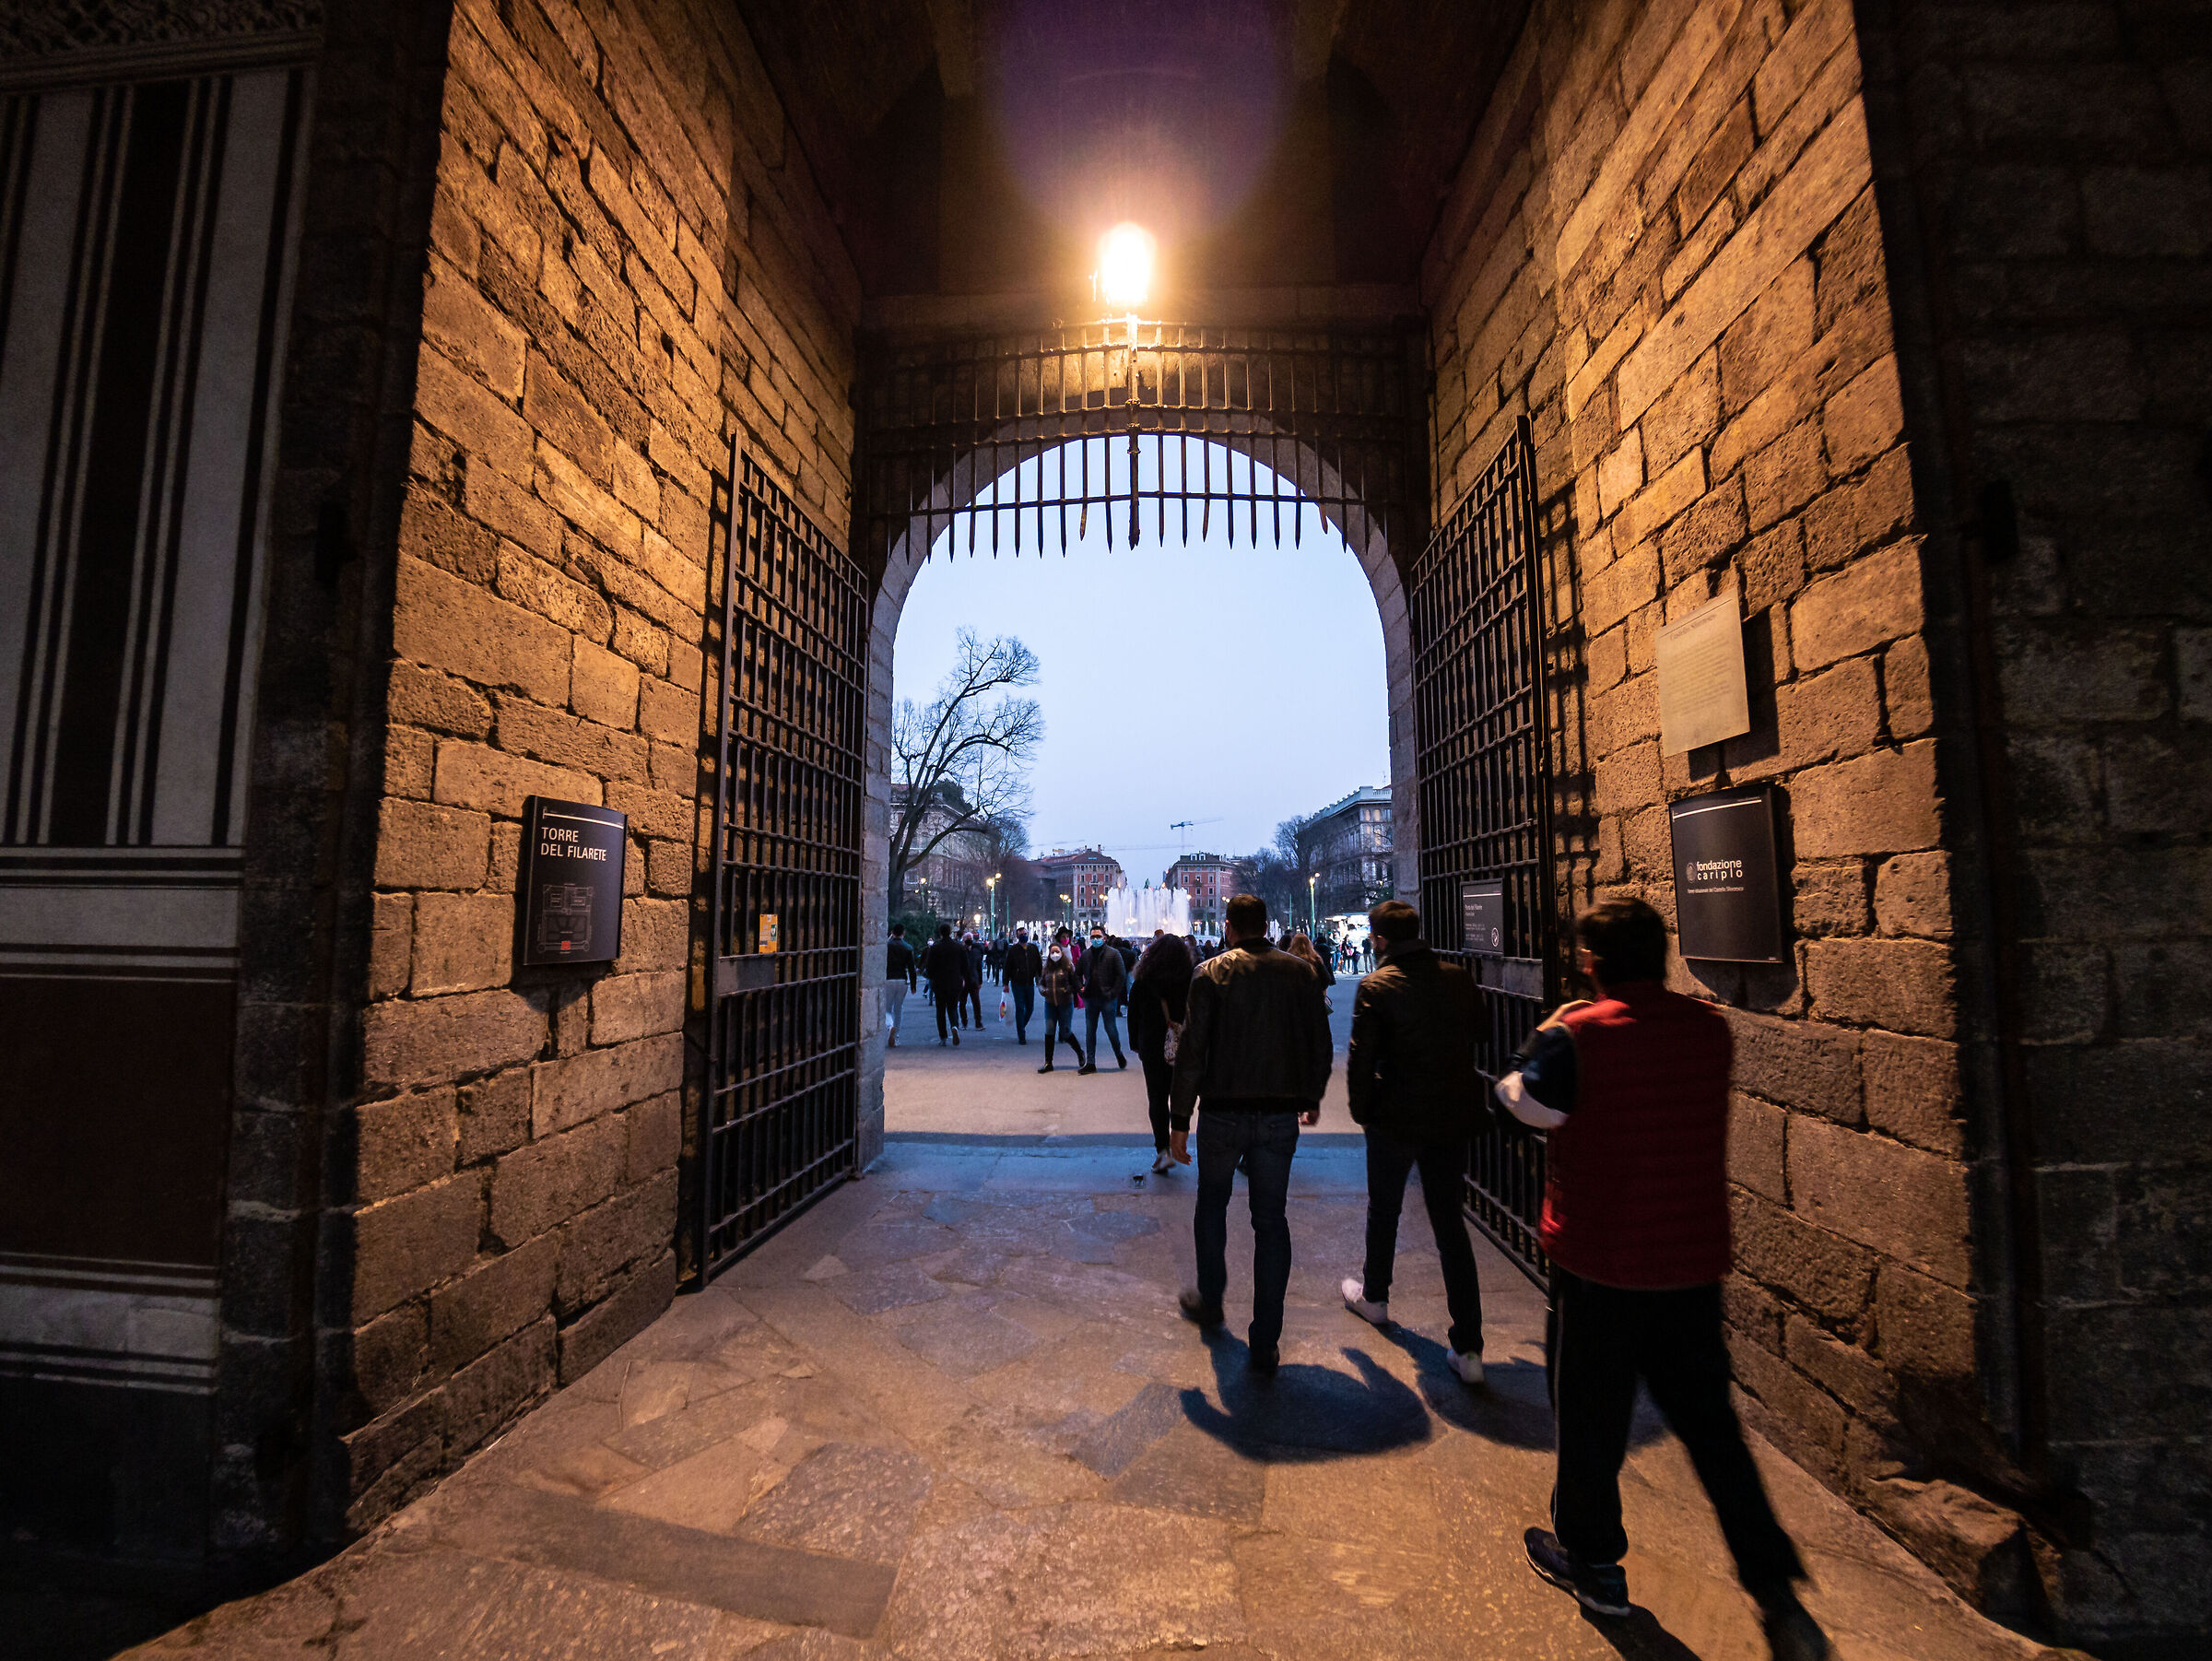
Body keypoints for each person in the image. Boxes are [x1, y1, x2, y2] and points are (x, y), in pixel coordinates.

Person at [1496, 897, 1830, 1659]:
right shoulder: (1708, 1029)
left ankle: (1596, 1567)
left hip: (1601, 1262)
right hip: (1688, 1263)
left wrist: (1537, 1045)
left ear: (1593, 963)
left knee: (1589, 1423)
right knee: (1714, 1434)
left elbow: (1528, 1105)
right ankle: (1775, 1592)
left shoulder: (1577, 1034)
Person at [1169, 892, 1332, 1375]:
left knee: (1212, 1204)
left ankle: (1212, 1297)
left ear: (1229, 927)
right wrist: (1311, 1095)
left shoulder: (1210, 974)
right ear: (1265, 924)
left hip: (1221, 1114)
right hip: (1279, 1115)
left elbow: (1192, 1051)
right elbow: (1318, 1046)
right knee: (1271, 1220)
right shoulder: (1301, 973)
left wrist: (1180, 1120)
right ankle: (1265, 1339)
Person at [1339, 900, 1488, 1385]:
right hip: (1450, 1114)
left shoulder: (1377, 985)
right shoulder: (1457, 977)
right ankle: (1468, 1347)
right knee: (1451, 1226)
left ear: (1379, 939)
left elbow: (1361, 1059)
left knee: (1385, 1210)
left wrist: (1363, 1112)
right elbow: (1483, 1033)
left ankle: (1376, 1298)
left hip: (1395, 1116)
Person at [1128, 931, 1194, 1172]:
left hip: (1153, 1046)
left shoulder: (1143, 980)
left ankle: (1163, 1151)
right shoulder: (1191, 979)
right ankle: (1179, 1141)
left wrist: (1135, 1043)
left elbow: (1132, 1014)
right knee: (1180, 1096)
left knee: (1156, 1098)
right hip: (1184, 1047)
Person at [1078, 925, 1128, 1073]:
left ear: (1104, 938)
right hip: (1091, 997)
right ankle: (1091, 1062)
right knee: (1090, 1030)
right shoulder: (1086, 955)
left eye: (1098, 937)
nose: (1095, 939)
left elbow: (1121, 975)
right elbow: (1076, 973)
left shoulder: (1113, 954)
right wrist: (1081, 988)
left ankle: (1118, 1054)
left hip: (1107, 998)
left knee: (1110, 1029)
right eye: (1093, 937)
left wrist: (1113, 993)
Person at [1036, 932, 1082, 1072]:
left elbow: (1075, 983)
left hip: (1065, 1003)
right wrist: (1043, 990)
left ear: (1061, 953)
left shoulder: (1068, 967)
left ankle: (1080, 1052)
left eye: (1057, 951)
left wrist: (1067, 989)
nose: (1055, 954)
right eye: (1052, 952)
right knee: (1049, 1030)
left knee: (1066, 1031)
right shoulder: (1047, 968)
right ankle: (1048, 1062)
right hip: (1050, 1004)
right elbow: (1041, 983)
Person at [921, 923, 969, 1046]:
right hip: (955, 981)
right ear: (950, 932)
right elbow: (965, 966)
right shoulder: (959, 947)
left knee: (940, 1010)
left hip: (939, 982)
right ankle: (954, 1026)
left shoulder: (935, 948)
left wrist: (932, 976)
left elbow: (929, 967)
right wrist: (962, 977)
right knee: (953, 1007)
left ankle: (943, 1036)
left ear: (940, 933)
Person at [1003, 926, 1041, 1043]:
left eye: (1025, 933)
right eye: (1021, 934)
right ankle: (1021, 1035)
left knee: (1030, 1008)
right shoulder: (1013, 950)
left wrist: (1040, 978)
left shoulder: (1033, 948)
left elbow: (1039, 964)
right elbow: (1007, 967)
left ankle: (1021, 1025)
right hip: (1017, 983)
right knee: (1020, 1007)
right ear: (1017, 936)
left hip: (1030, 982)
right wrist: (1006, 983)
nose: (1024, 935)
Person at [885, 924, 918, 1049]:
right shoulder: (908, 948)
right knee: (899, 1008)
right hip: (902, 979)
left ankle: (889, 1026)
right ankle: (896, 1036)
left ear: (893, 932)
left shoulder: (887, 946)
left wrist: (889, 938)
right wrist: (913, 985)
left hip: (888, 978)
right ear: (903, 933)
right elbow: (911, 968)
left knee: (886, 1008)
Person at [963, 931, 987, 1028]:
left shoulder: (976, 951)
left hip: (973, 980)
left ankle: (978, 1022)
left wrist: (980, 981)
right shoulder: (961, 951)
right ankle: (964, 1022)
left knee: (976, 1003)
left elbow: (979, 967)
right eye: (967, 938)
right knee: (962, 1003)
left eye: (970, 937)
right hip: (964, 981)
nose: (969, 939)